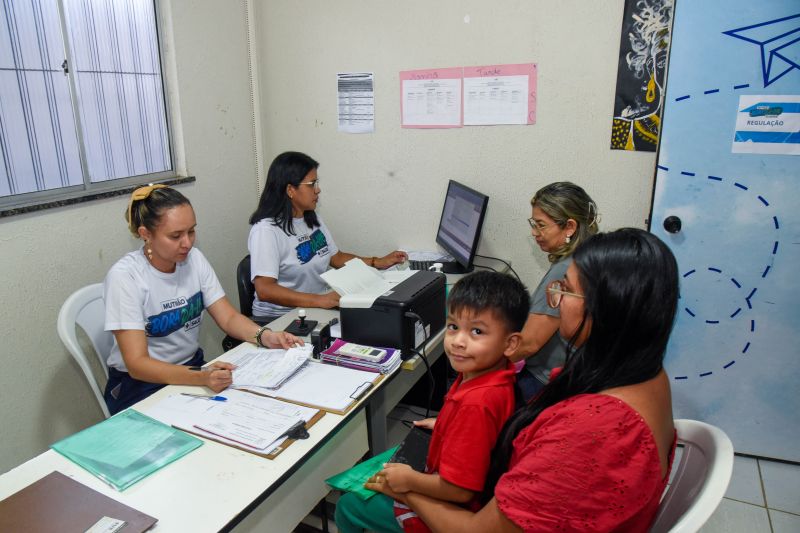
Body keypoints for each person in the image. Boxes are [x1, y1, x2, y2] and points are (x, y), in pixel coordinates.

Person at [366, 228, 679, 532]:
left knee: (357, 504)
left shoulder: (593, 430)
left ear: (607, 307)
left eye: (566, 289)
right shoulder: (644, 373)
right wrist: (456, 426)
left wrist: (408, 492)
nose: (556, 299)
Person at [335, 271, 530, 533]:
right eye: (453, 327)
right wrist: (447, 423)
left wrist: (410, 481)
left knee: (350, 505)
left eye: (477, 331)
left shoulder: (477, 403)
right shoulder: (489, 375)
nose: (458, 341)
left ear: (510, 344)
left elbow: (460, 491)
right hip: (463, 481)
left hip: (454, 504)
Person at [103, 184, 301, 415]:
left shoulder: (194, 259)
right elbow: (138, 365)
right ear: (146, 234)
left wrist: (265, 336)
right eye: (175, 236)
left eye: (191, 231)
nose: (187, 243)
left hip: (192, 368)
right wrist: (201, 377)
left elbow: (227, 317)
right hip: (141, 386)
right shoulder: (125, 277)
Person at [247, 151, 407, 321]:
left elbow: (336, 257)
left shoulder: (310, 218)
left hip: (314, 308)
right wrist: (320, 300)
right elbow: (265, 290)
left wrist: (378, 262)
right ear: (290, 190)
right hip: (281, 318)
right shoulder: (266, 231)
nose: (318, 190)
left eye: (317, 183)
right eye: (311, 184)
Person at [511, 181, 599, 401]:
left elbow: (529, 343)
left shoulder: (565, 270)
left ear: (569, 227)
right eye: (533, 224)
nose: (534, 232)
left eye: (541, 225)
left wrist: (481, 360)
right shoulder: (590, 255)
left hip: (540, 383)